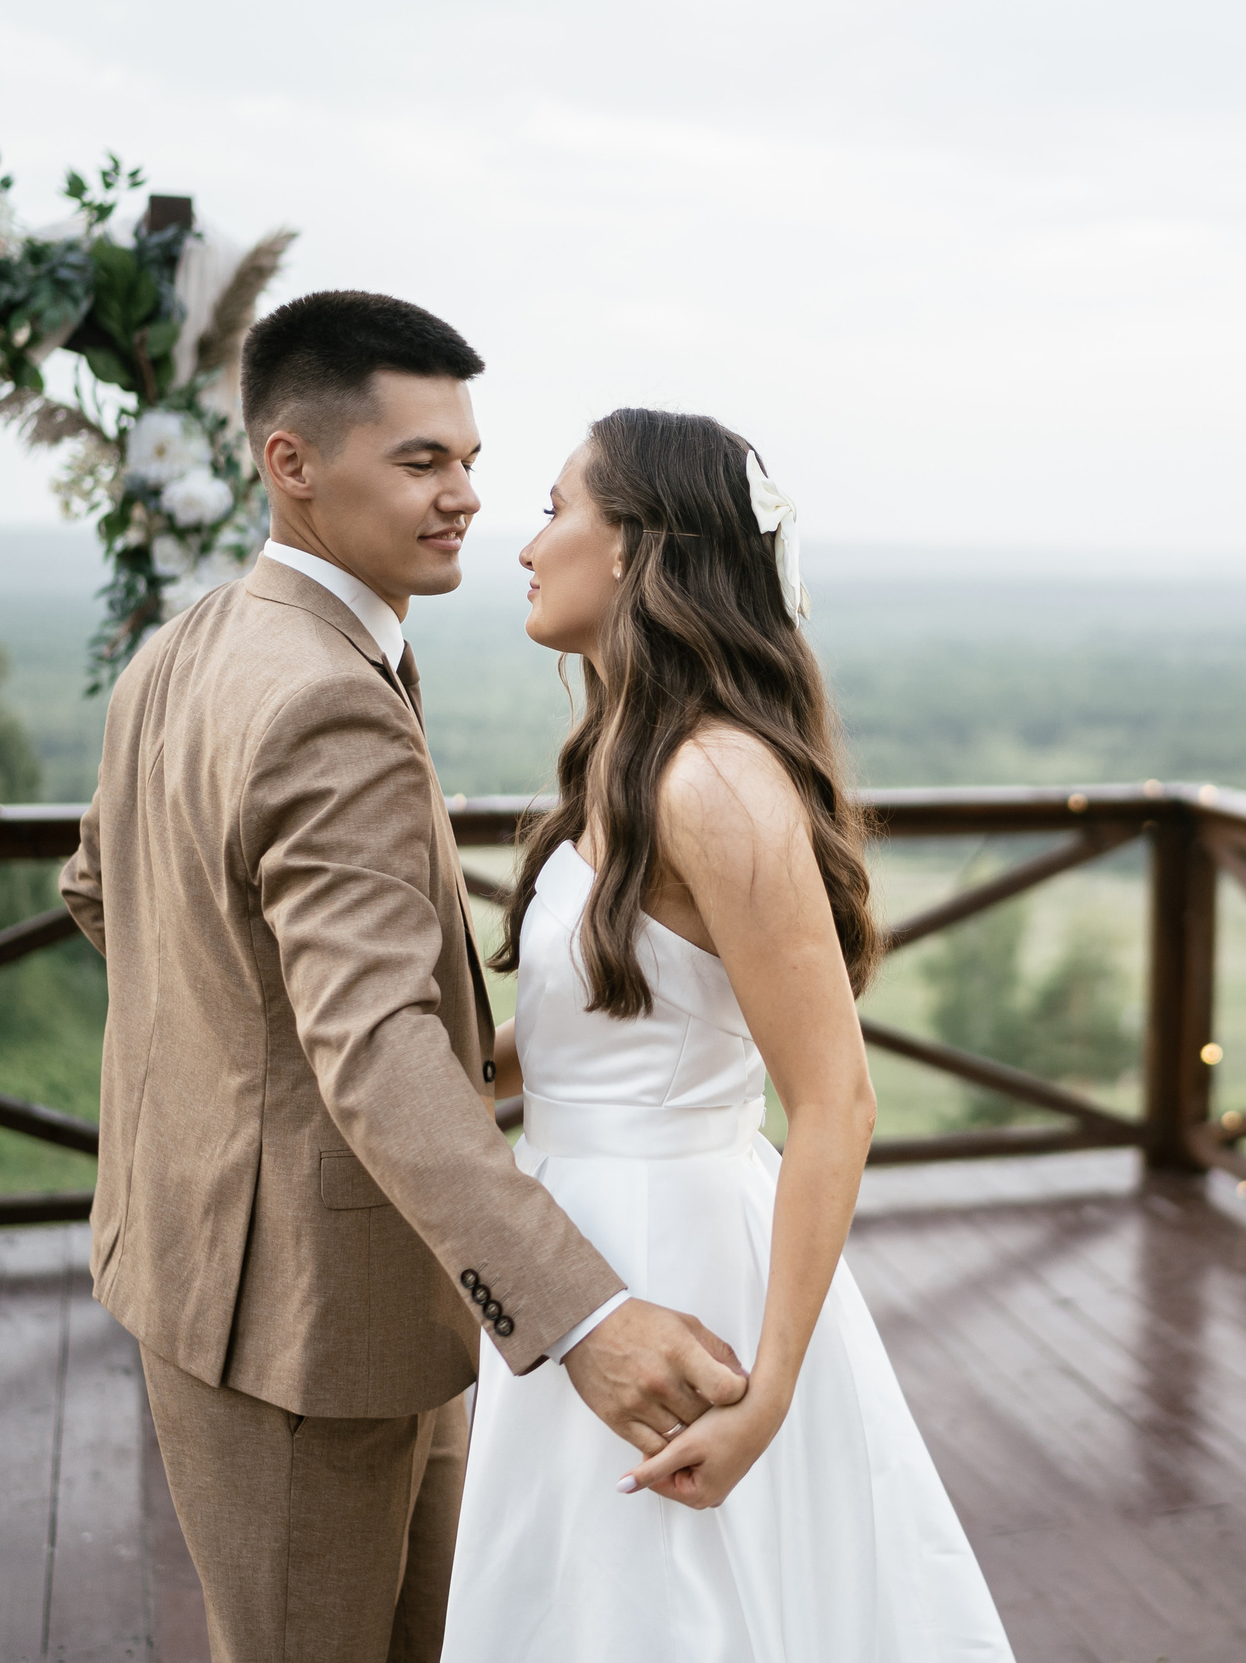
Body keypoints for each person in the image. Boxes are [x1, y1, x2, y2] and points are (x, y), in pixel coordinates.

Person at [59, 293, 750, 1663]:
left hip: (214, 1270)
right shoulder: (321, 692)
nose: (468, 498)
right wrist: (588, 1318)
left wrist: (226, 1105)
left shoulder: (184, 647)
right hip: (314, 1323)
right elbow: (371, 1048)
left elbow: (102, 895)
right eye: (423, 461)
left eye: (472, 460)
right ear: (292, 462)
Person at [439, 409, 1012, 1660]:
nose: (524, 546)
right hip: (570, 1240)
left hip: (678, 1252)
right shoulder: (615, 763)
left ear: (638, 548)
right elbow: (580, 1034)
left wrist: (768, 1399)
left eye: (553, 509)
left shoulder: (712, 782)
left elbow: (836, 1103)